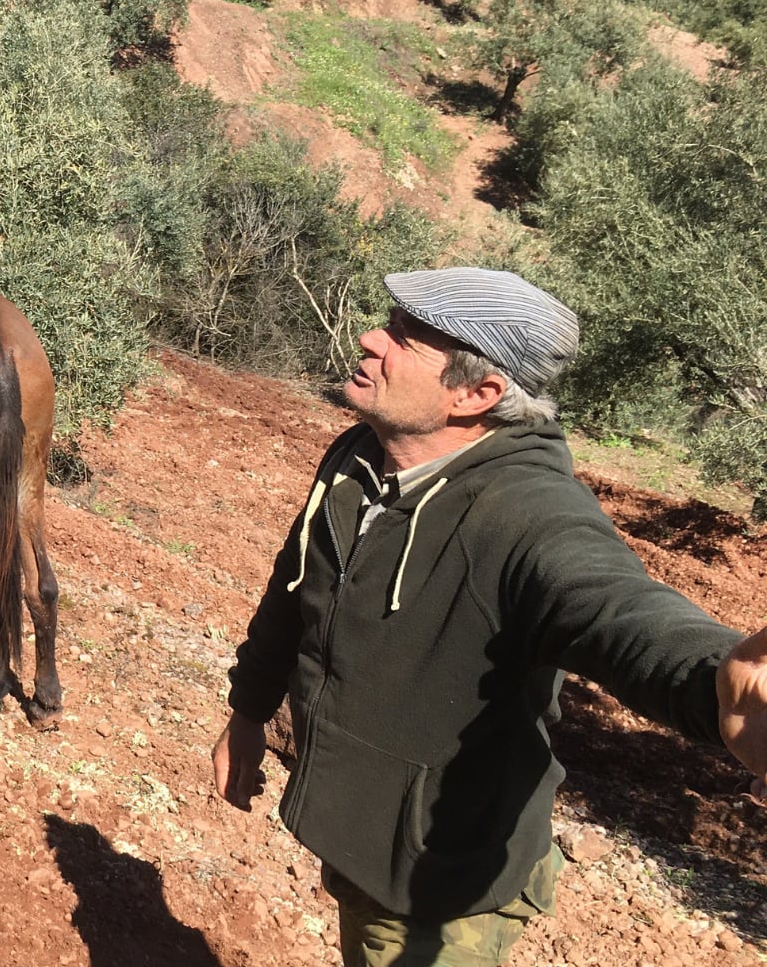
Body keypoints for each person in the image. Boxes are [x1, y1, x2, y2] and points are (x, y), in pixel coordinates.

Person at [210, 267, 767, 966]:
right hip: (364, 838)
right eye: (389, 320)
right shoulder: (359, 459)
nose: (369, 337)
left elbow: (616, 607)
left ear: (478, 394)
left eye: (406, 336)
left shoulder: (529, 513)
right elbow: (293, 592)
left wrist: (719, 685)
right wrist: (246, 711)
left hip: (443, 893)